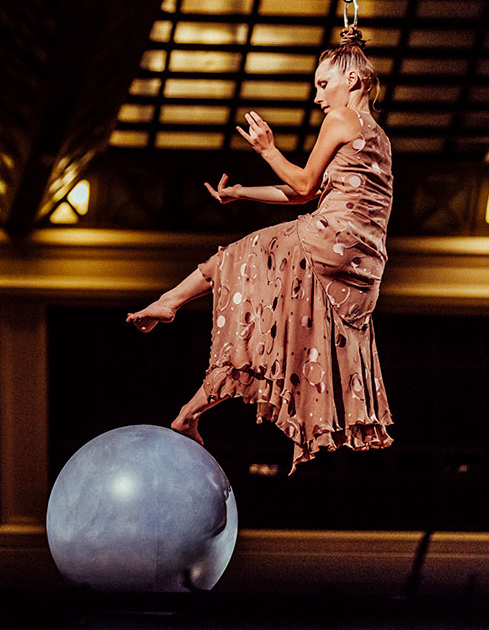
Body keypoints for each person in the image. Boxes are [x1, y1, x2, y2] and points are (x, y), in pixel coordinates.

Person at [126, 26, 393, 473]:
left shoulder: (342, 119)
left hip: (331, 240)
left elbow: (305, 183)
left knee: (238, 255)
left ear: (353, 80)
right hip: (360, 263)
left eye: (322, 85)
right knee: (264, 333)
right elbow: (309, 193)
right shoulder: (379, 136)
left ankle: (170, 302)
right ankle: (189, 414)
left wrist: (268, 150)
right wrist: (243, 193)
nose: (317, 98)